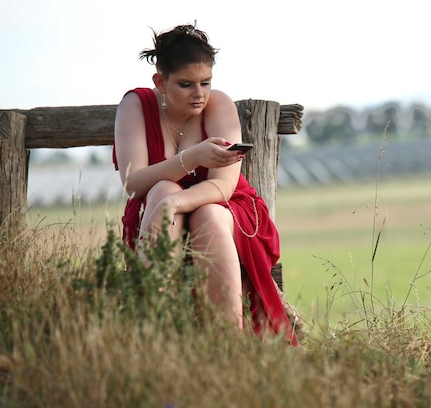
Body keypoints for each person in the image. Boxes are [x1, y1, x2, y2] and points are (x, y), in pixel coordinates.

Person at [112, 23, 298, 346]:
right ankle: (155, 335)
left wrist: (174, 204)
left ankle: (227, 345)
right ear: (160, 82)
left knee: (206, 214)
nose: (199, 94)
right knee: (161, 189)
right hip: (155, 211)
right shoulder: (135, 106)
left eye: (205, 82)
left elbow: (223, 189)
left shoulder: (219, 106)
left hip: (226, 209)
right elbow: (133, 183)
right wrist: (193, 158)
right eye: (185, 85)